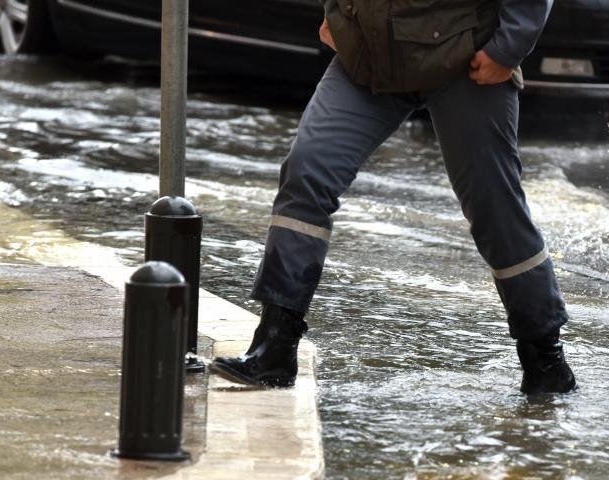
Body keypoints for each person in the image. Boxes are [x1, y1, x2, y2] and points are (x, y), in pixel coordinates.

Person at [210, 0, 576, 395]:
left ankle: (545, 359)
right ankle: (274, 347)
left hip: (464, 56)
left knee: (495, 210)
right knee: (306, 172)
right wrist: (335, 12)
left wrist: (507, 48)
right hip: (368, 54)